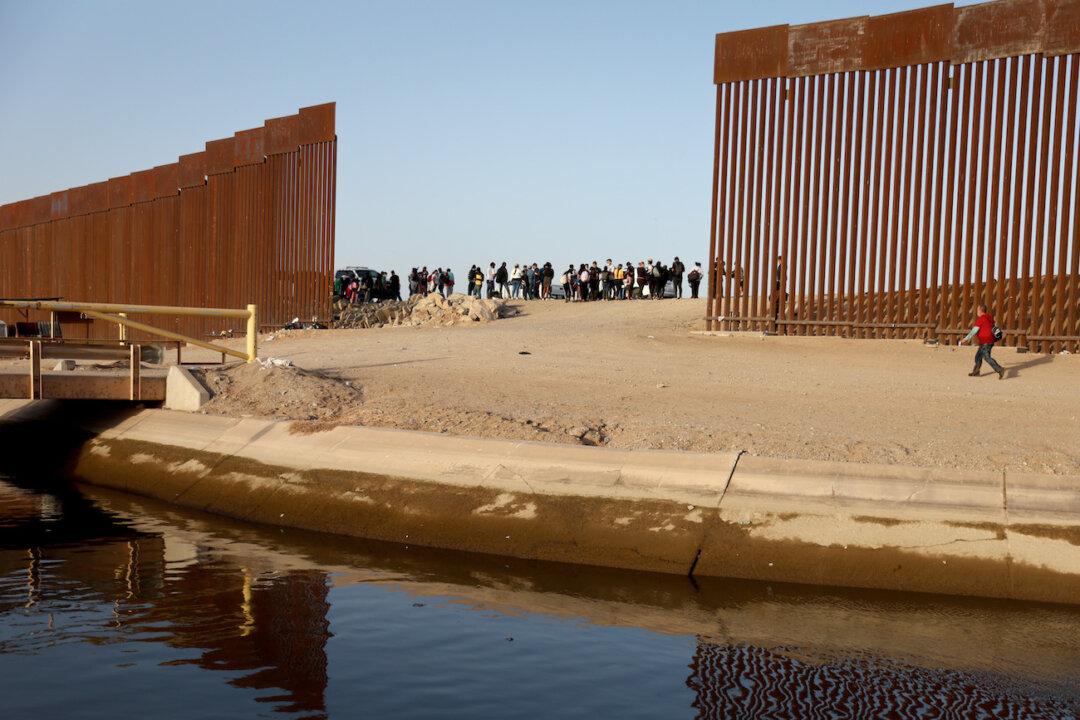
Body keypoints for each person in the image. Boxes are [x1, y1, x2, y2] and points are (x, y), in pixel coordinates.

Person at [959, 304, 1006, 380]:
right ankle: (976, 372)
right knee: (978, 356)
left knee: (987, 357)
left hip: (986, 341)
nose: (976, 312)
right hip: (989, 341)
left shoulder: (981, 319)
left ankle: (999, 369)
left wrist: (965, 339)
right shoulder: (989, 317)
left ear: (980, 310)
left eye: (977, 310)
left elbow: (974, 331)